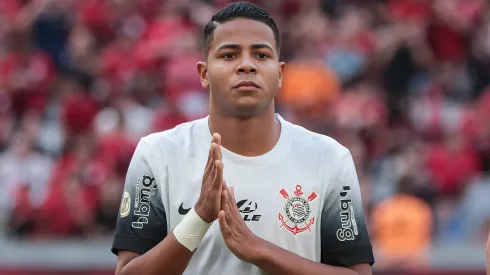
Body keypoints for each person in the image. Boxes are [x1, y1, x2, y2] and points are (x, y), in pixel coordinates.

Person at [111, 2, 375, 275]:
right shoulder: (157, 154)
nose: (247, 65)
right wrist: (199, 218)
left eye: (261, 55)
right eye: (229, 55)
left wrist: (260, 251)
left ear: (280, 74)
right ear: (204, 73)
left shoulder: (329, 158)